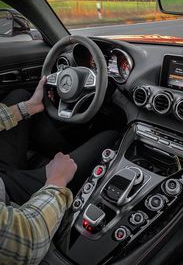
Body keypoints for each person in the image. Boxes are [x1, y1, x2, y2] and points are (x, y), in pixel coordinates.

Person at [0, 77, 119, 265]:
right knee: (111, 137)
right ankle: (70, 161)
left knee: (21, 96)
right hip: (12, 206)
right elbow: (28, 242)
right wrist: (56, 181)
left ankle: (67, 152)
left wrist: (29, 107)